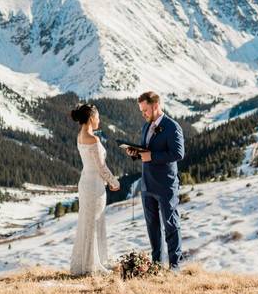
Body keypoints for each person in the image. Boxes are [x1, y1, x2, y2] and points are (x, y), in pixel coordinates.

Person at [125, 90, 184, 271]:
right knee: (152, 227)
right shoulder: (145, 127)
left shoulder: (172, 127)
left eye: (145, 110)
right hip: (147, 185)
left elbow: (178, 154)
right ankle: (157, 265)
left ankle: (175, 266)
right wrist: (135, 153)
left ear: (156, 106)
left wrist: (152, 156)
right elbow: (146, 152)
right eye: (141, 111)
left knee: (171, 224)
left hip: (166, 185)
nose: (143, 114)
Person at [68, 103, 120, 276]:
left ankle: (87, 262)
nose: (99, 120)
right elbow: (101, 167)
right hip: (95, 186)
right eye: (97, 117)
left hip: (85, 182)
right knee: (94, 223)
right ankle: (92, 265)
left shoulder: (80, 136)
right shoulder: (94, 139)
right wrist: (114, 182)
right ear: (91, 118)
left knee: (87, 223)